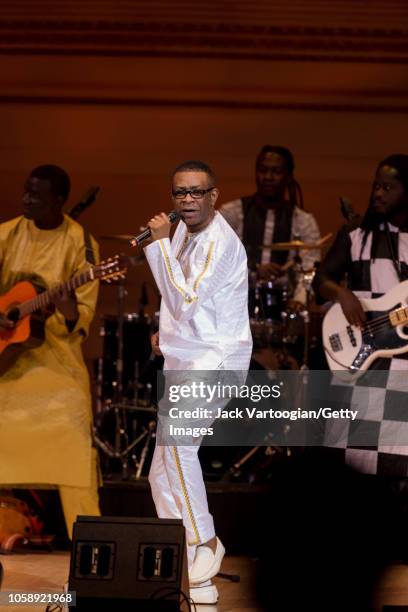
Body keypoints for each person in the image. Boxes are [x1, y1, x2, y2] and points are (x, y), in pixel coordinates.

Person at [144, 160, 252, 605]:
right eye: (179, 193)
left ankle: (204, 543)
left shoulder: (218, 242)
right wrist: (163, 329)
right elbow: (182, 301)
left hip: (215, 360)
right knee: (159, 472)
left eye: (195, 193)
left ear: (214, 196)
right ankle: (193, 567)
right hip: (187, 356)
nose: (186, 201)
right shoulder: (185, 232)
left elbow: (185, 297)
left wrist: (156, 247)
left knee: (181, 448)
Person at [313, 154, 408, 558]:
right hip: (362, 355)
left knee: (400, 463)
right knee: (356, 459)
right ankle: (357, 548)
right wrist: (343, 293)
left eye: (387, 186)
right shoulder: (356, 236)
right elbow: (322, 279)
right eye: (375, 185)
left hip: (403, 362)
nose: (377, 193)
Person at [0, 164, 101, 540]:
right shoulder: (6, 235)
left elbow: (81, 320)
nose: (26, 199)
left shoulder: (82, 244)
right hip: (6, 365)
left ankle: (92, 553)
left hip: (57, 366)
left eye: (36, 195)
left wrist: (69, 308)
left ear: (59, 201)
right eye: (25, 191)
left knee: (72, 448)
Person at [219, 145, 321, 303]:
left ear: (288, 177)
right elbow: (216, 260)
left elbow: (309, 269)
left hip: (284, 305)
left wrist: (300, 299)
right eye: (262, 170)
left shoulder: (302, 221)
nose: (268, 177)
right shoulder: (231, 213)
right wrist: (254, 270)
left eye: (277, 172)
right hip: (235, 302)